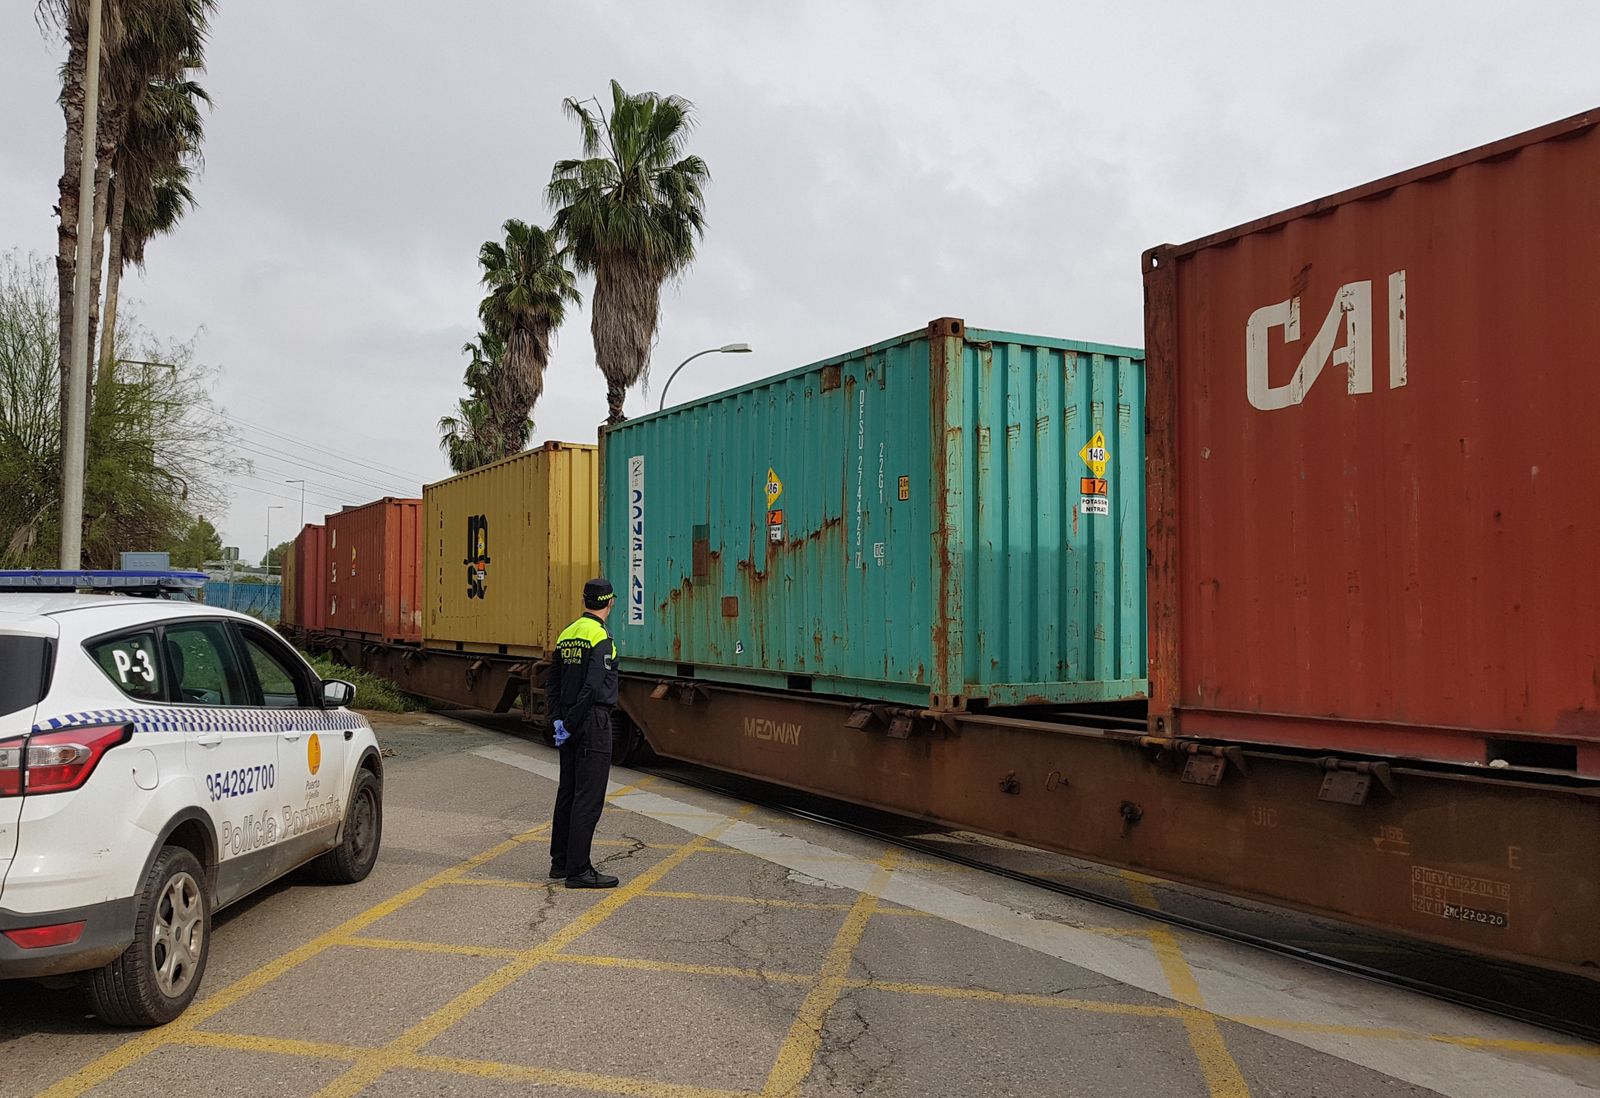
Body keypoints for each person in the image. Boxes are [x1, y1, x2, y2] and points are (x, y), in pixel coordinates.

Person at [546, 577, 620, 888]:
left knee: (568, 792)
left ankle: (560, 862)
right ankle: (579, 871)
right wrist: (575, 722)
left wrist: (557, 721)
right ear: (610, 603)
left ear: (584, 601)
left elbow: (553, 682)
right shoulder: (600, 636)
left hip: (568, 723)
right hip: (591, 724)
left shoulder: (567, 634)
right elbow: (592, 687)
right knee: (587, 798)